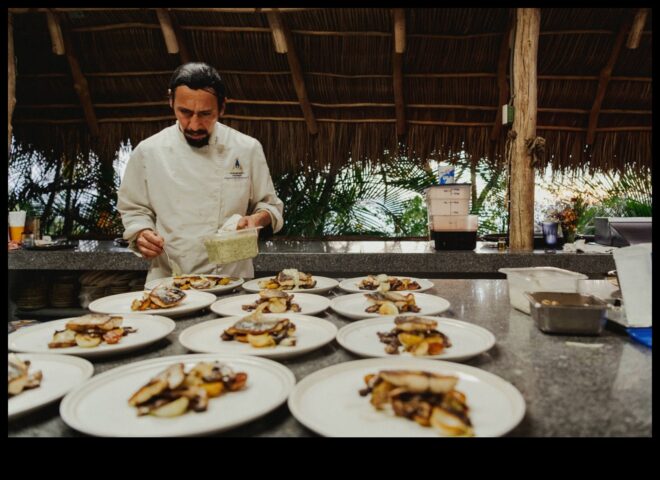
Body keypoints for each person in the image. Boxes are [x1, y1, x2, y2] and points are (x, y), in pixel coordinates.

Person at [117, 62, 284, 283]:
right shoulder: (149, 152)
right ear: (171, 102)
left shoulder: (246, 148)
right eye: (185, 112)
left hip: (231, 280)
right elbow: (133, 208)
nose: (194, 125)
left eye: (205, 114)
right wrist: (141, 233)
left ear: (222, 107)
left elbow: (270, 205)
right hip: (169, 279)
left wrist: (256, 219)